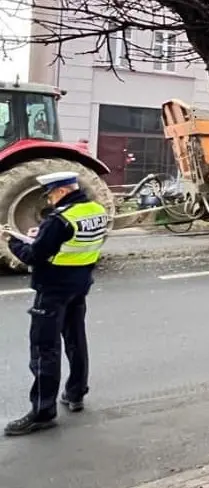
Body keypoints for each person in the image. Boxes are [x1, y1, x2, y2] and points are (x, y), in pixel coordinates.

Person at [0, 171, 109, 436]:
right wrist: (43, 234)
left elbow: (33, 256)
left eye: (49, 194)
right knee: (75, 340)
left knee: (44, 350)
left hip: (52, 290)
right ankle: (76, 392)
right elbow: (75, 243)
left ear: (60, 191)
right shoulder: (96, 210)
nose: (48, 199)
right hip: (79, 285)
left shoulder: (59, 219)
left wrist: (12, 240)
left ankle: (42, 411)